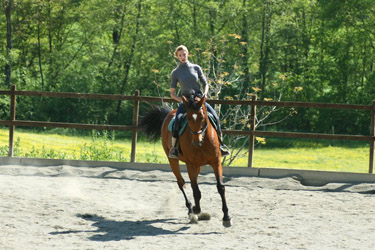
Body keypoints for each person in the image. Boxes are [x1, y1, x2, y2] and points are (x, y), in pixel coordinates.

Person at [169, 45, 230, 159]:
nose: (183, 57)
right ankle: (174, 149)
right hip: (186, 101)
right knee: (177, 121)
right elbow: (172, 93)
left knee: (215, 118)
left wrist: (205, 94)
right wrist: (181, 100)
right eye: (180, 55)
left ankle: (221, 146)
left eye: (184, 54)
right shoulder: (175, 72)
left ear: (188, 54)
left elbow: (205, 83)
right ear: (177, 57)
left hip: (198, 99)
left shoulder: (196, 68)